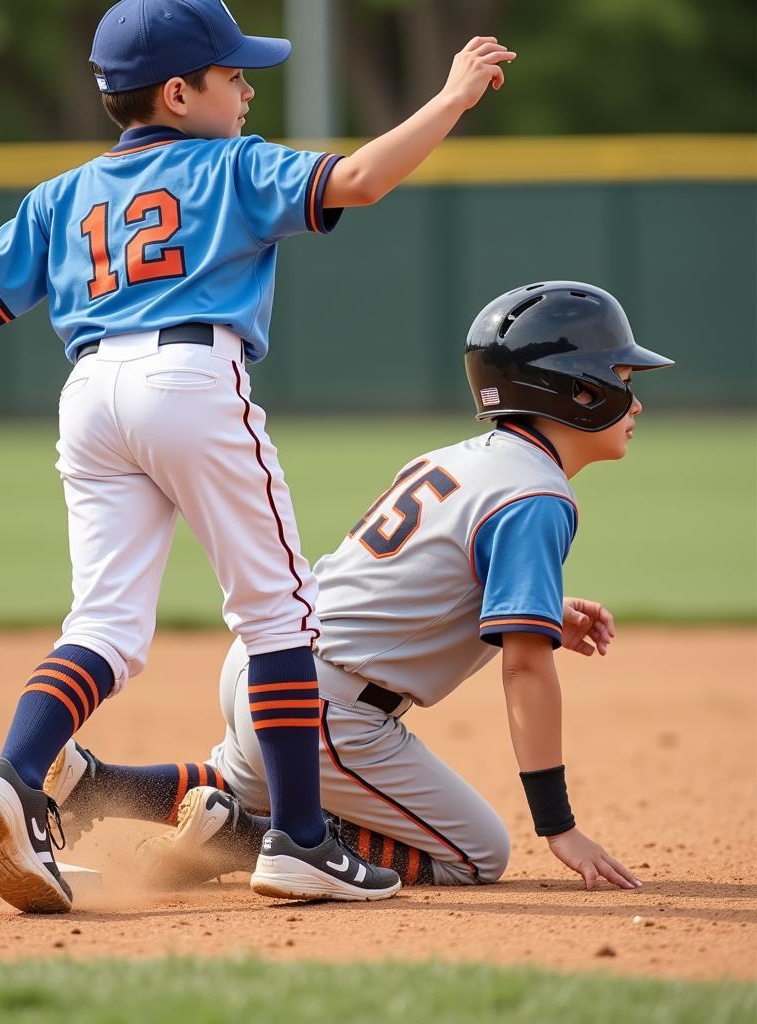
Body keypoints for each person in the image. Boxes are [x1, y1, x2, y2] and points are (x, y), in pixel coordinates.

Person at [0, 0, 516, 911]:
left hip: (89, 399)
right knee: (282, 617)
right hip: (191, 378)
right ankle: (304, 844)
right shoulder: (231, 164)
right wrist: (450, 98)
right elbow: (357, 180)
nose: (248, 88)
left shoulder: (62, 194)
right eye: (234, 76)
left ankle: (13, 771)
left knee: (107, 626)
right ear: (180, 92)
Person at [45, 281, 674, 892]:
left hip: (264, 664)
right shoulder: (538, 494)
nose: (636, 402)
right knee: (479, 852)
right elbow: (527, 671)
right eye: (620, 380)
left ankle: (99, 785)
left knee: (253, 779)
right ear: (574, 390)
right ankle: (241, 835)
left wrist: (540, 609)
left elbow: (421, 574)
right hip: (331, 706)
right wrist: (560, 828)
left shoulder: (459, 459)